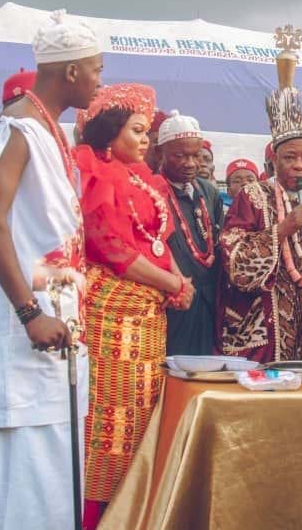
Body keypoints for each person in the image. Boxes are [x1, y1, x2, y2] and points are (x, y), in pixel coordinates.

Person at [0, 9, 103, 529]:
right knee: (19, 471)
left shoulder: (48, 130)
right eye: (96, 68)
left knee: (51, 464)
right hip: (25, 330)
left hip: (55, 329)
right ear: (70, 71)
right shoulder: (18, 127)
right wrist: (28, 312)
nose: (99, 80)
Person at [73, 86, 193, 528]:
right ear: (109, 133)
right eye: (137, 130)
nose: (146, 140)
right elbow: (111, 247)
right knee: (108, 422)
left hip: (147, 315)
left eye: (147, 131)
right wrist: (172, 282)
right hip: (112, 314)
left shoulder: (144, 176)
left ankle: (130, 514)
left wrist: (177, 279)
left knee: (140, 418)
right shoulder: (94, 171)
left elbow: (157, 239)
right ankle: (94, 517)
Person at [218, 88, 302, 362]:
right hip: (262, 332)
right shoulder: (252, 195)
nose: (299, 166)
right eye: (290, 158)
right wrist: (283, 229)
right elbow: (233, 264)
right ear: (275, 161)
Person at [156, 110, 223, 355]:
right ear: (158, 153)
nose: (191, 163)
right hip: (174, 302)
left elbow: (218, 242)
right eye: (179, 156)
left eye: (196, 155)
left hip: (209, 301)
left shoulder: (209, 192)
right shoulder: (151, 190)